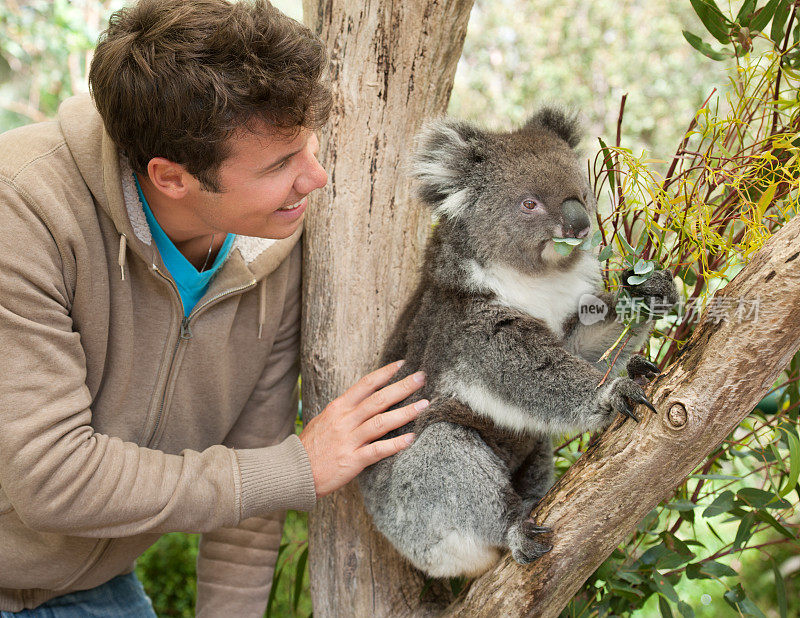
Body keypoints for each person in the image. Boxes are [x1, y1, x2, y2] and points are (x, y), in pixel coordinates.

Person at [0, 0, 427, 615]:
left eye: (309, 146)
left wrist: (281, 470)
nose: (317, 178)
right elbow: (52, 477)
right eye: (281, 164)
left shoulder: (274, 248)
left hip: (88, 588)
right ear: (171, 178)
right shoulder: (25, 211)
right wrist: (296, 467)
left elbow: (250, 491)